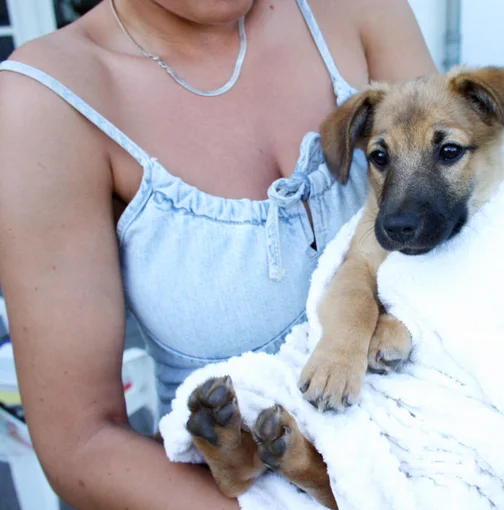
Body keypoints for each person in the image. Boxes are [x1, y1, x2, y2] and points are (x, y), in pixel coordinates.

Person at [0, 0, 435, 508]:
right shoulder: (42, 104)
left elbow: (484, 218)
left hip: (437, 438)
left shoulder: (356, 11)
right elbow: (83, 445)